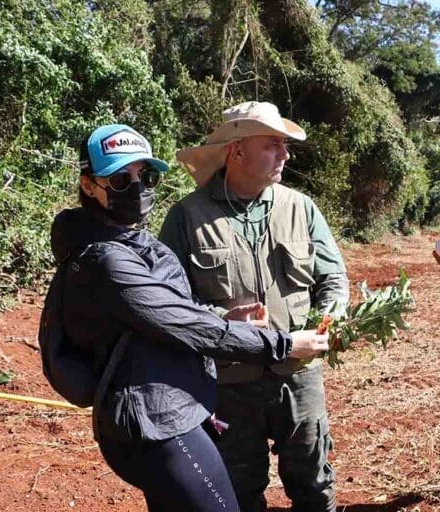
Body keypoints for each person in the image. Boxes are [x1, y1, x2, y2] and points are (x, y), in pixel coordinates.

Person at [52, 124, 329, 512]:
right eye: (119, 179)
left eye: (145, 175)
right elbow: (184, 325)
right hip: (157, 422)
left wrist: (226, 318)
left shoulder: (127, 241)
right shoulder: (108, 259)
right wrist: (284, 344)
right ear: (88, 185)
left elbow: (166, 313)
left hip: (165, 409)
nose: (137, 186)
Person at [160, 101, 349, 512]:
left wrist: (326, 323)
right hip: (228, 382)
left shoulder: (301, 208)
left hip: (298, 376)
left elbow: (333, 279)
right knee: (239, 491)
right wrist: (221, 320)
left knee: (315, 485)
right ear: (237, 151)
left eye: (284, 145)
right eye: (273, 144)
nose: (285, 154)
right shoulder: (186, 217)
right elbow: (170, 306)